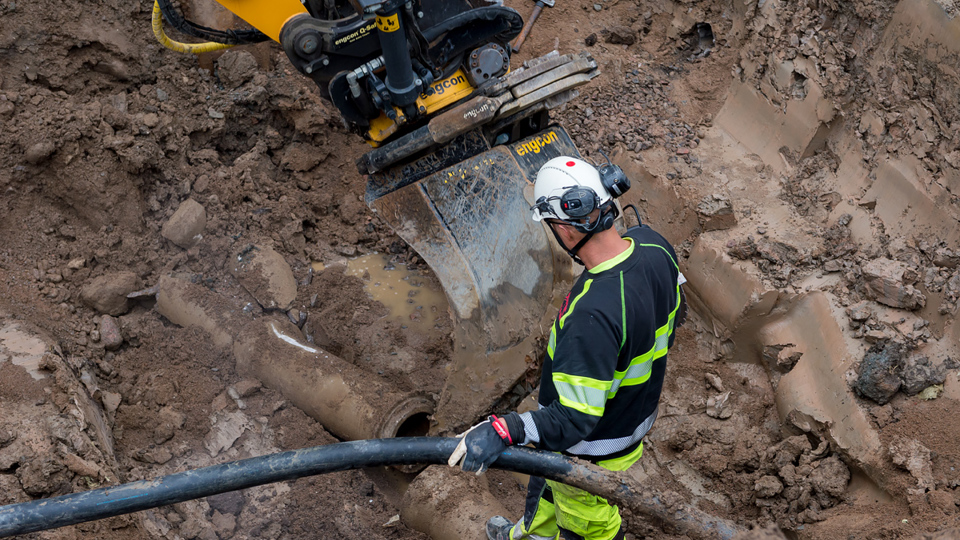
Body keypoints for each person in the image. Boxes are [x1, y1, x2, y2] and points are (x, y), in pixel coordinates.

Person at [448, 156, 684, 540]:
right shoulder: (654, 246)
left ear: (566, 230)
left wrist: (505, 429)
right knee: (544, 488)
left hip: (590, 454)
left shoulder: (592, 314)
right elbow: (676, 314)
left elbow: (575, 420)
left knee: (587, 526)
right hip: (629, 419)